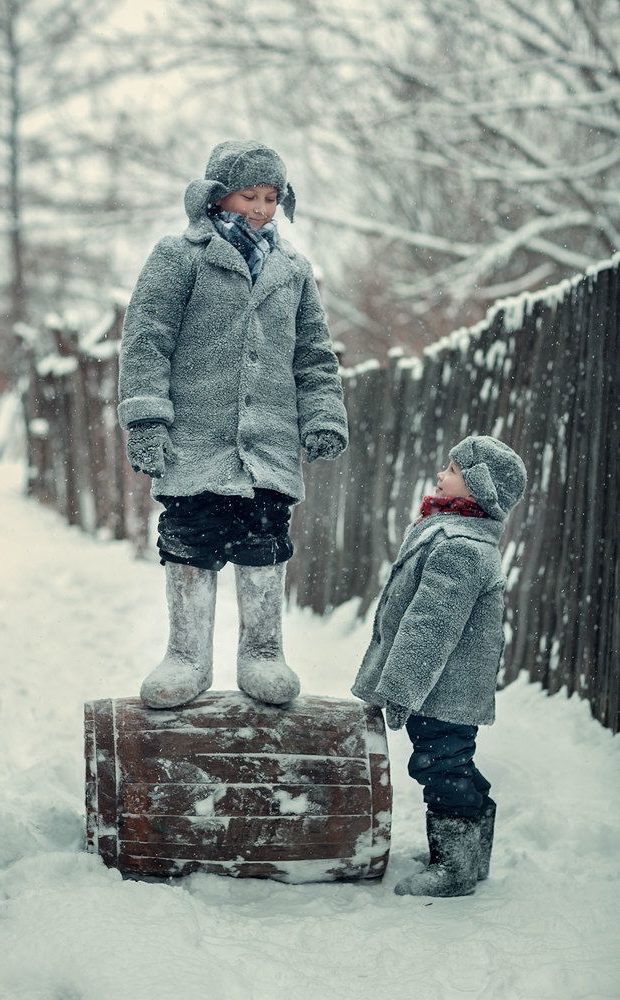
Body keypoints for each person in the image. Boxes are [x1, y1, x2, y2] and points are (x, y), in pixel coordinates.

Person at [118, 139, 348, 710]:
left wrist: (322, 414)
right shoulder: (180, 256)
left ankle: (262, 651)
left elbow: (313, 354)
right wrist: (147, 420)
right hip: (196, 442)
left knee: (262, 539)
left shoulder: (292, 269)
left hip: (267, 445)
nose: (263, 207)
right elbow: (147, 342)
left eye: (273, 197)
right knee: (191, 541)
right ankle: (187, 657)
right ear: (218, 195)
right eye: (251, 195)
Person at [351, 435, 527, 897]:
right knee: (452, 764)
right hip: (440, 685)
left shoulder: (462, 546)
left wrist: (401, 689)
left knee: (441, 767)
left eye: (452, 469)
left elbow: (431, 627)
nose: (440, 475)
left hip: (441, 689)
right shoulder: (449, 531)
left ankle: (455, 869)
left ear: (476, 487)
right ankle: (469, 856)